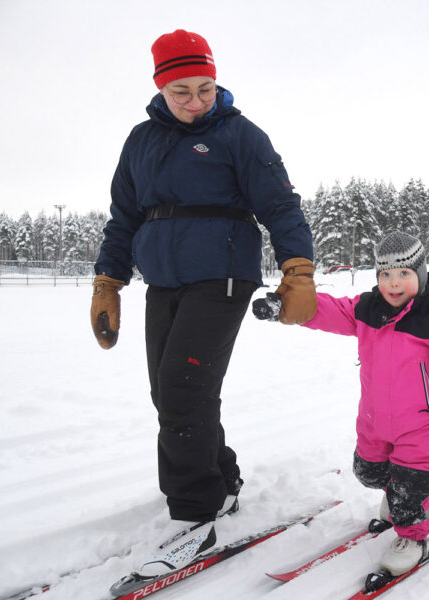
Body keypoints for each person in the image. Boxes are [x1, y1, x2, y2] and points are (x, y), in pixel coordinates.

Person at [89, 29, 316, 578]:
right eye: (182, 91)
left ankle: (196, 517)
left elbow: (280, 206)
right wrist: (107, 282)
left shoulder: (240, 135)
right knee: (167, 391)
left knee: (184, 390)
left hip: (223, 277)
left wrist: (298, 269)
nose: (196, 102)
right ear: (160, 88)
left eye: (206, 88)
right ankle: (223, 480)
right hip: (164, 281)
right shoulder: (141, 140)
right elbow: (124, 217)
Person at [253, 231, 429, 576]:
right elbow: (329, 309)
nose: (393, 284)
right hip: (375, 420)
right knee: (368, 471)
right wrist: (285, 305)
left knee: (411, 488)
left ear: (420, 273)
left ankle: (414, 534)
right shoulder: (368, 309)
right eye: (385, 275)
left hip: (420, 425)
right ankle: (396, 493)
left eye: (403, 274)